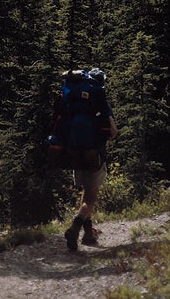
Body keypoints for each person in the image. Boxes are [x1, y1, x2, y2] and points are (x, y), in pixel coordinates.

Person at [63, 67, 118, 252]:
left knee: (85, 193)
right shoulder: (101, 101)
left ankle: (88, 234)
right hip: (94, 152)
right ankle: (74, 228)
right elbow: (112, 132)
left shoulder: (73, 99)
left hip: (73, 150)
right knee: (91, 198)